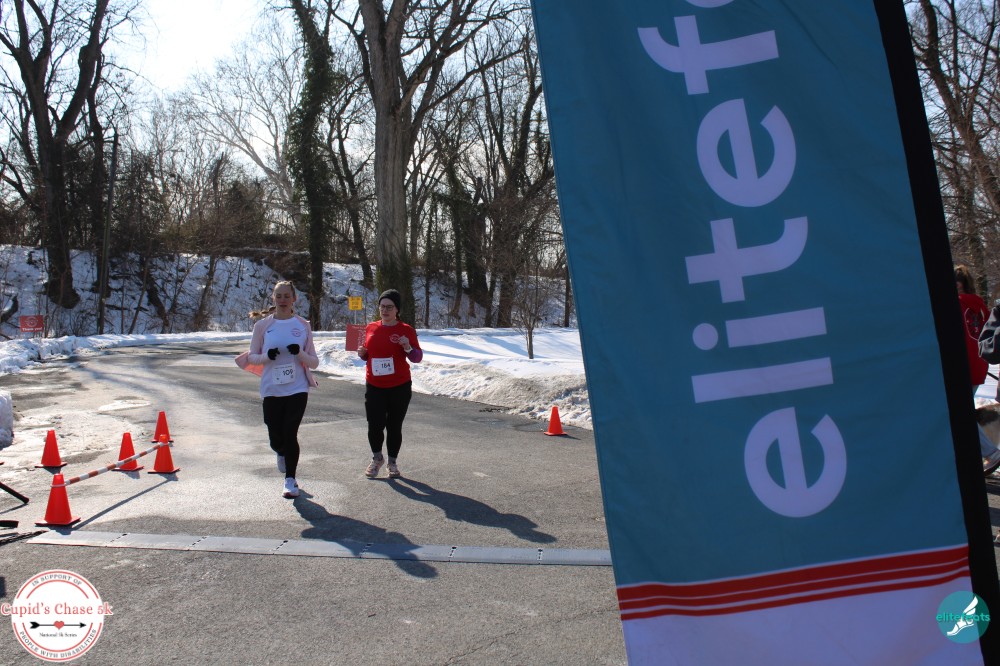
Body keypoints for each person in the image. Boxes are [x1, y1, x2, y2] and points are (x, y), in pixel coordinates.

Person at [241, 281, 319, 497]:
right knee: (275, 433)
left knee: (290, 432)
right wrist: (267, 357)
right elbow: (251, 357)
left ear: (294, 299)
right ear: (273, 299)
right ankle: (280, 451)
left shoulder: (302, 325)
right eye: (279, 296)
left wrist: (300, 353)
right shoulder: (262, 326)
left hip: (297, 388)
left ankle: (290, 480)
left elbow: (314, 362)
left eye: (287, 296)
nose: (283, 300)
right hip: (271, 388)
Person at [356, 289, 422, 479]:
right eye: (382, 306)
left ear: (397, 310)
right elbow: (369, 354)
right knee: (374, 424)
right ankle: (377, 458)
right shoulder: (371, 327)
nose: (385, 310)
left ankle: (392, 462)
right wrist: (363, 354)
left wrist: (407, 347)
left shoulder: (406, 330)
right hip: (374, 385)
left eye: (389, 307)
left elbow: (417, 357)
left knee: (394, 426)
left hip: (399, 386)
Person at [955, 265, 1000, 476]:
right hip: (979, 364)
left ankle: (989, 452)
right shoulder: (980, 305)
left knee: (958, 413)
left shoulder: (955, 304)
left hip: (962, 365)